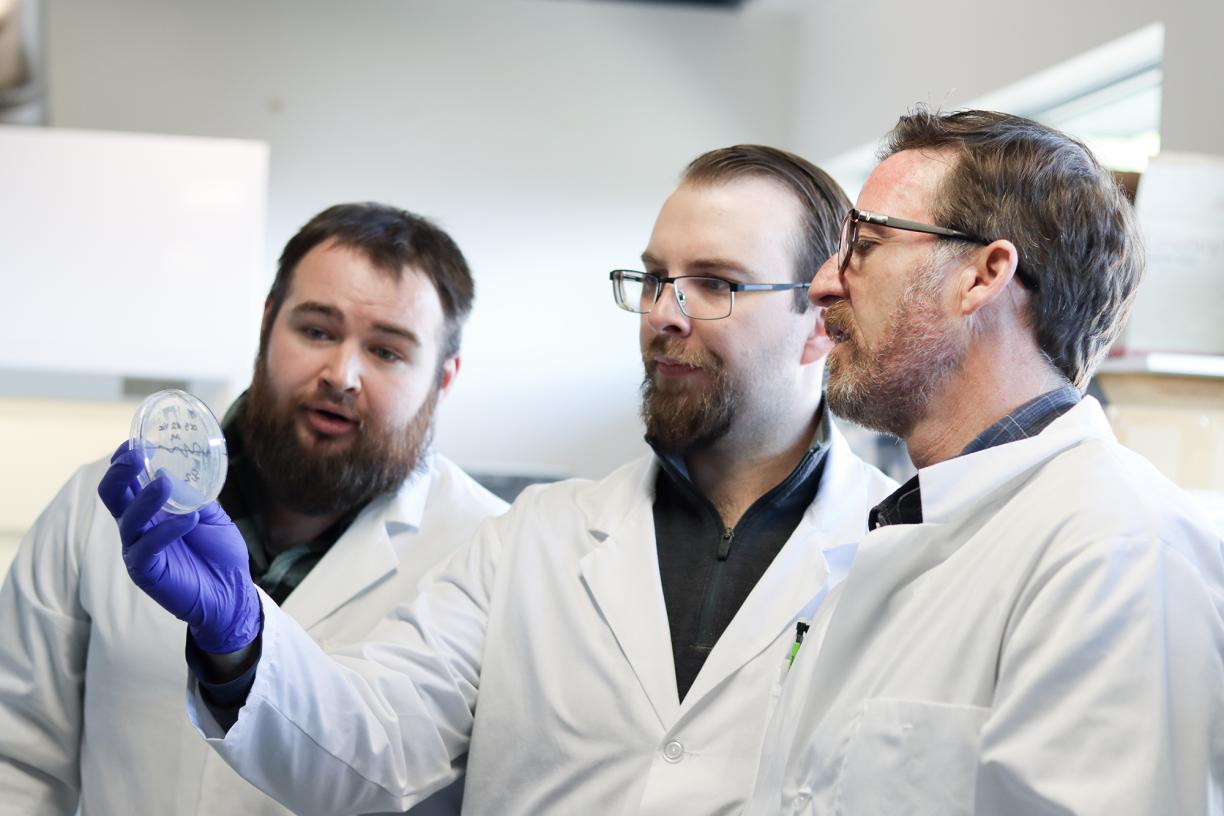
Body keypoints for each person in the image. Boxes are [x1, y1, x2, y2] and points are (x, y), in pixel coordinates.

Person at [102, 146, 897, 814]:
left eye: (716, 283)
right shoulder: (530, 541)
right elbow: (371, 747)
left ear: (823, 318)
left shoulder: (901, 556)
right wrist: (239, 634)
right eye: (656, 278)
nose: (663, 313)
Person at [745, 109, 1224, 815]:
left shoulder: (1117, 552)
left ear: (983, 275)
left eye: (865, 245)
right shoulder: (903, 530)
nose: (821, 284)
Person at [0, 202, 508, 816]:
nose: (342, 374)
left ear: (444, 379)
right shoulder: (101, 504)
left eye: (387, 352)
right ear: (268, 324)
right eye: (317, 331)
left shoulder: (489, 551)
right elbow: (16, 757)